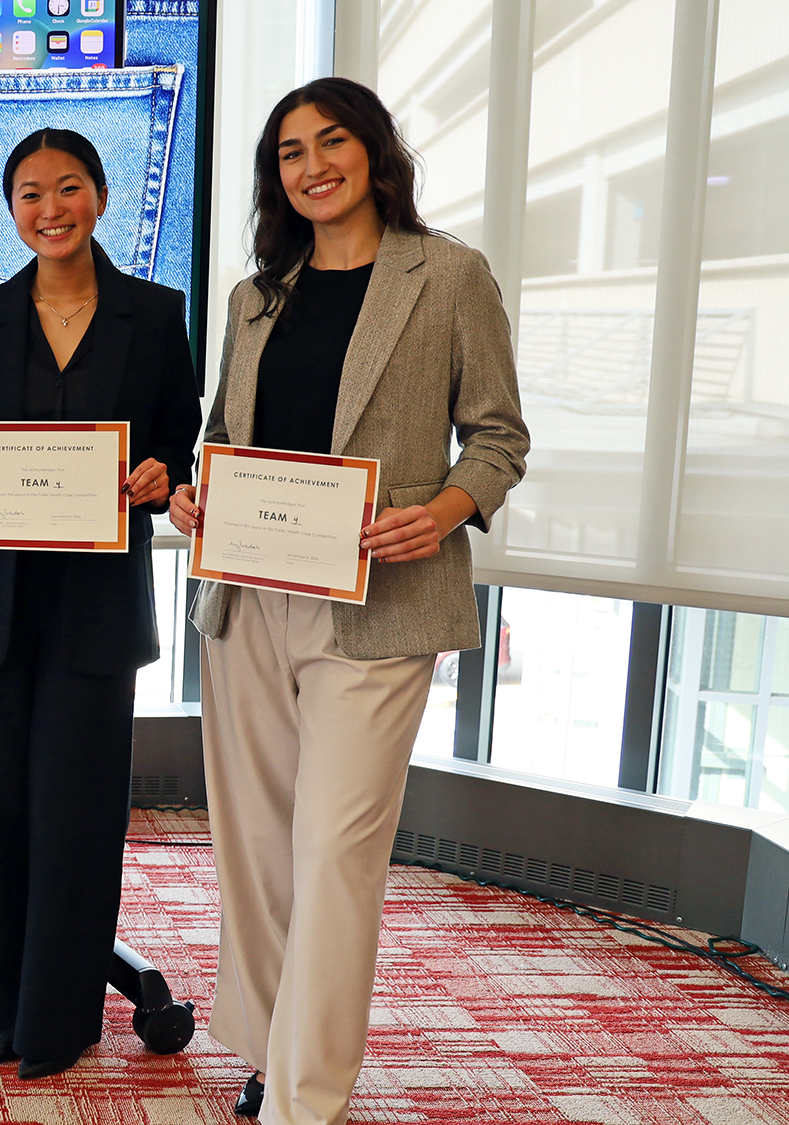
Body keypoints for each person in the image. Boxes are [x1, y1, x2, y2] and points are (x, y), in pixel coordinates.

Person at [169, 78, 529, 1125]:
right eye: (288, 151)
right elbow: (221, 441)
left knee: (333, 852)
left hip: (377, 608)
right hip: (245, 603)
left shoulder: (447, 276)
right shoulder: (254, 295)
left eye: (330, 142)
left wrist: (447, 509)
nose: (310, 164)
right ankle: (277, 1045)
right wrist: (196, 494)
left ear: (373, 153)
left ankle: (303, 1099)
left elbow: (498, 437)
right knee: (259, 847)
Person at [0, 128, 203, 1079]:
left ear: (101, 195)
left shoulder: (158, 317)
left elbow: (178, 451)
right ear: (11, 209)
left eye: (70, 187)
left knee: (78, 814)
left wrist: (164, 475)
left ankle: (57, 1016)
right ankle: (1, 1002)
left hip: (92, 604)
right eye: (32, 193)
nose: (52, 208)